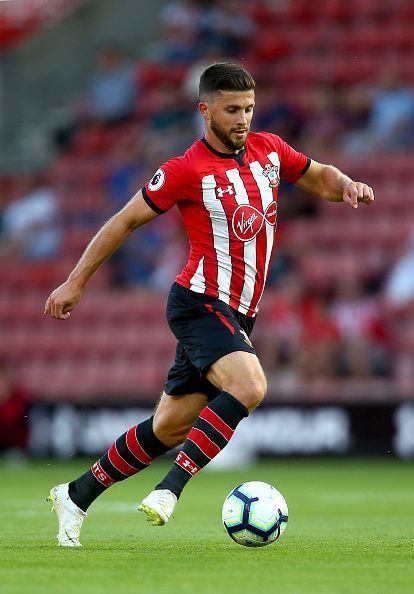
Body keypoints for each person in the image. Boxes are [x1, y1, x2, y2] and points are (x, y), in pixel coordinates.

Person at [44, 63, 375, 547]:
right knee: (250, 384)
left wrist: (345, 185)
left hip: (238, 313)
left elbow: (318, 176)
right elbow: (122, 221)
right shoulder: (184, 170)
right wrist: (75, 282)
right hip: (198, 302)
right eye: (232, 109)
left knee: (171, 426)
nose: (243, 118)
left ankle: (74, 496)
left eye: (249, 108)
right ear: (205, 110)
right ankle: (170, 489)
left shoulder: (269, 149)